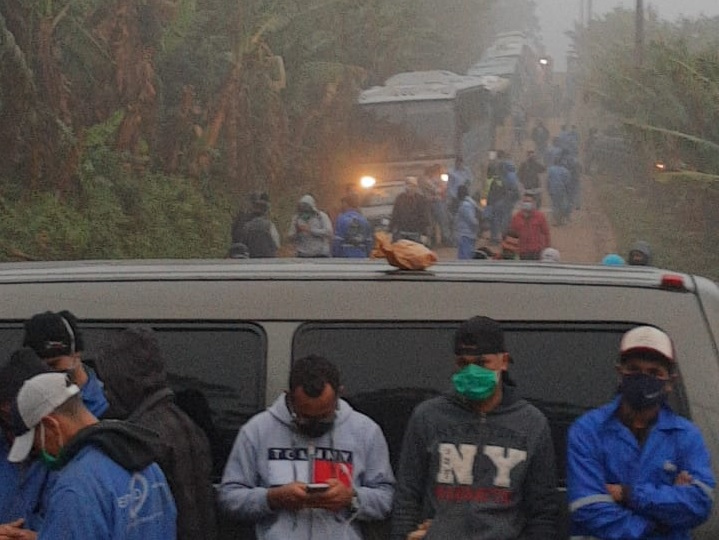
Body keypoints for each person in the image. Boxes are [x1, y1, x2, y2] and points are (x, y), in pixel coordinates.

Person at [391, 316, 558, 540]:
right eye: (463, 363)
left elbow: (543, 511)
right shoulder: (428, 416)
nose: (471, 372)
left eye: (481, 363)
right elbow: (406, 497)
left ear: (504, 361)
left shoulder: (531, 422)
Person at [219, 354, 395, 540]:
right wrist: (272, 498)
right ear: (289, 396)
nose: (315, 424)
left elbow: (386, 498)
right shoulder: (257, 430)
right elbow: (229, 497)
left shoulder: (365, 431)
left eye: (324, 416)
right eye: (304, 416)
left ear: (339, 394)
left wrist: (351, 498)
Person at [567, 326, 715, 539]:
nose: (643, 378)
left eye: (654, 372)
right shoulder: (587, 430)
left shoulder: (686, 435)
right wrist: (659, 526)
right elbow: (588, 507)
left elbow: (699, 503)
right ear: (620, 373)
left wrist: (627, 494)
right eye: (634, 369)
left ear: (670, 382)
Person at [8, 372, 177, 538]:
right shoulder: (148, 464)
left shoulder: (74, 487)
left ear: (50, 425)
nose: (40, 456)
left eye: (36, 446)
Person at [96, 327, 217, 540]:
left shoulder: (141, 437)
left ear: (127, 381)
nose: (106, 394)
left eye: (108, 384)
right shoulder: (186, 423)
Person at [22, 310, 108, 418]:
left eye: (54, 364)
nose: (49, 373)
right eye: (40, 367)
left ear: (76, 354)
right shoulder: (25, 409)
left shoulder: (111, 403)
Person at [509, 193, 551, 260]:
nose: (526, 203)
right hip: (522, 252)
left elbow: (546, 233)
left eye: (529, 202)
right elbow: (512, 235)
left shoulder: (540, 217)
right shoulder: (516, 218)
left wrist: (547, 249)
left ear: (534, 203)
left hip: (537, 252)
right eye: (525, 202)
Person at [390, 177, 432, 244]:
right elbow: (395, 215)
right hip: (402, 232)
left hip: (416, 232)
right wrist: (391, 230)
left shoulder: (421, 199)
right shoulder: (400, 198)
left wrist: (425, 234)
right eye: (409, 185)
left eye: (413, 186)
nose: (411, 188)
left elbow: (425, 217)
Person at [332, 192, 374, 258]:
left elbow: (338, 240)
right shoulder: (364, 220)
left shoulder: (341, 219)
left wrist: (335, 254)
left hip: (345, 255)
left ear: (345, 204)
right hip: (362, 255)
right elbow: (368, 241)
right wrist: (368, 254)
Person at [454, 185, 481, 260]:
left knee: (465, 257)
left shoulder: (465, 205)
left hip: (465, 234)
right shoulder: (469, 203)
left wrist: (476, 226)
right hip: (469, 233)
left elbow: (471, 220)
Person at [546, 157, 571, 226]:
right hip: (561, 190)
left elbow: (548, 180)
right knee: (561, 204)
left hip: (553, 190)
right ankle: (560, 220)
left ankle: (556, 220)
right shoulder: (565, 171)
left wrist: (548, 188)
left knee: (555, 204)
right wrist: (567, 191)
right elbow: (567, 182)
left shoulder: (551, 169)